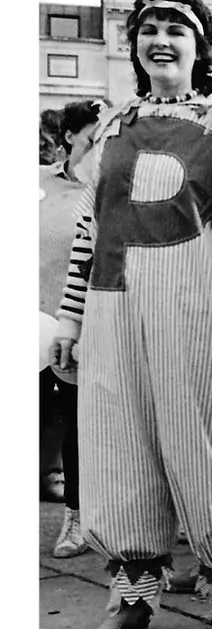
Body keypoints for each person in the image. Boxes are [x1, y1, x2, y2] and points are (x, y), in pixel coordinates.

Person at [49, 0, 212, 629]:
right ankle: (130, 595)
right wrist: (69, 323)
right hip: (115, 311)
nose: (160, 40)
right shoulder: (113, 130)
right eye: (148, 28)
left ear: (201, 47)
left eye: (175, 29)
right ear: (134, 45)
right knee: (119, 449)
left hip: (201, 314)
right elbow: (89, 231)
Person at [40, 100, 101, 556]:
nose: (98, 150)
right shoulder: (38, 183)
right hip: (36, 325)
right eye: (89, 141)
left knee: (83, 427)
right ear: (69, 140)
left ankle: (79, 520)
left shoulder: (109, 189)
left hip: (88, 322)